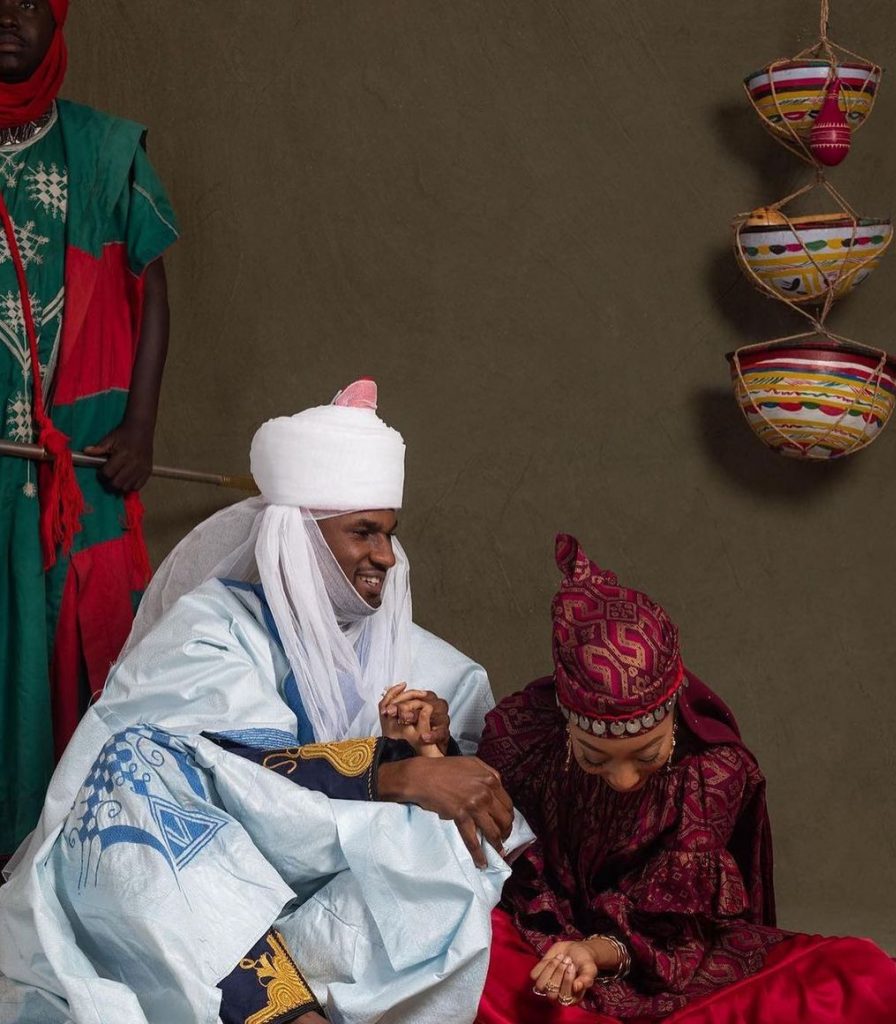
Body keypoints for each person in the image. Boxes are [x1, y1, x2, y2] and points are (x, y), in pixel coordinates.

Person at [0, 379, 525, 1024]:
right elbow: (205, 767)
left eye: (390, 534)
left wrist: (430, 750)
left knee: (445, 839)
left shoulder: (433, 663)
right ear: (298, 539)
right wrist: (398, 775)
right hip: (202, 886)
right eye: (363, 532)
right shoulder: (212, 627)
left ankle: (297, 996)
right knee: (130, 773)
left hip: (327, 909)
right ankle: (285, 1014)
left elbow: (485, 818)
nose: (387, 556)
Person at [475, 534, 896, 1024]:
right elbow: (499, 861)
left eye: (647, 755)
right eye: (594, 758)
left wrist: (593, 953)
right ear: (564, 724)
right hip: (548, 946)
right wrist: (431, 752)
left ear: (676, 714)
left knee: (864, 978)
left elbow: (675, 937)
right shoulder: (526, 740)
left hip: (671, 961)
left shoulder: (711, 774)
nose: (623, 779)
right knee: (459, 941)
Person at [0, 0, 178, 864]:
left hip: (78, 468)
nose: (10, 14)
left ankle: (54, 872)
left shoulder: (107, 151)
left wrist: (139, 424)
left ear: (56, 20)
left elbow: (151, 292)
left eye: (30, 1)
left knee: (72, 665)